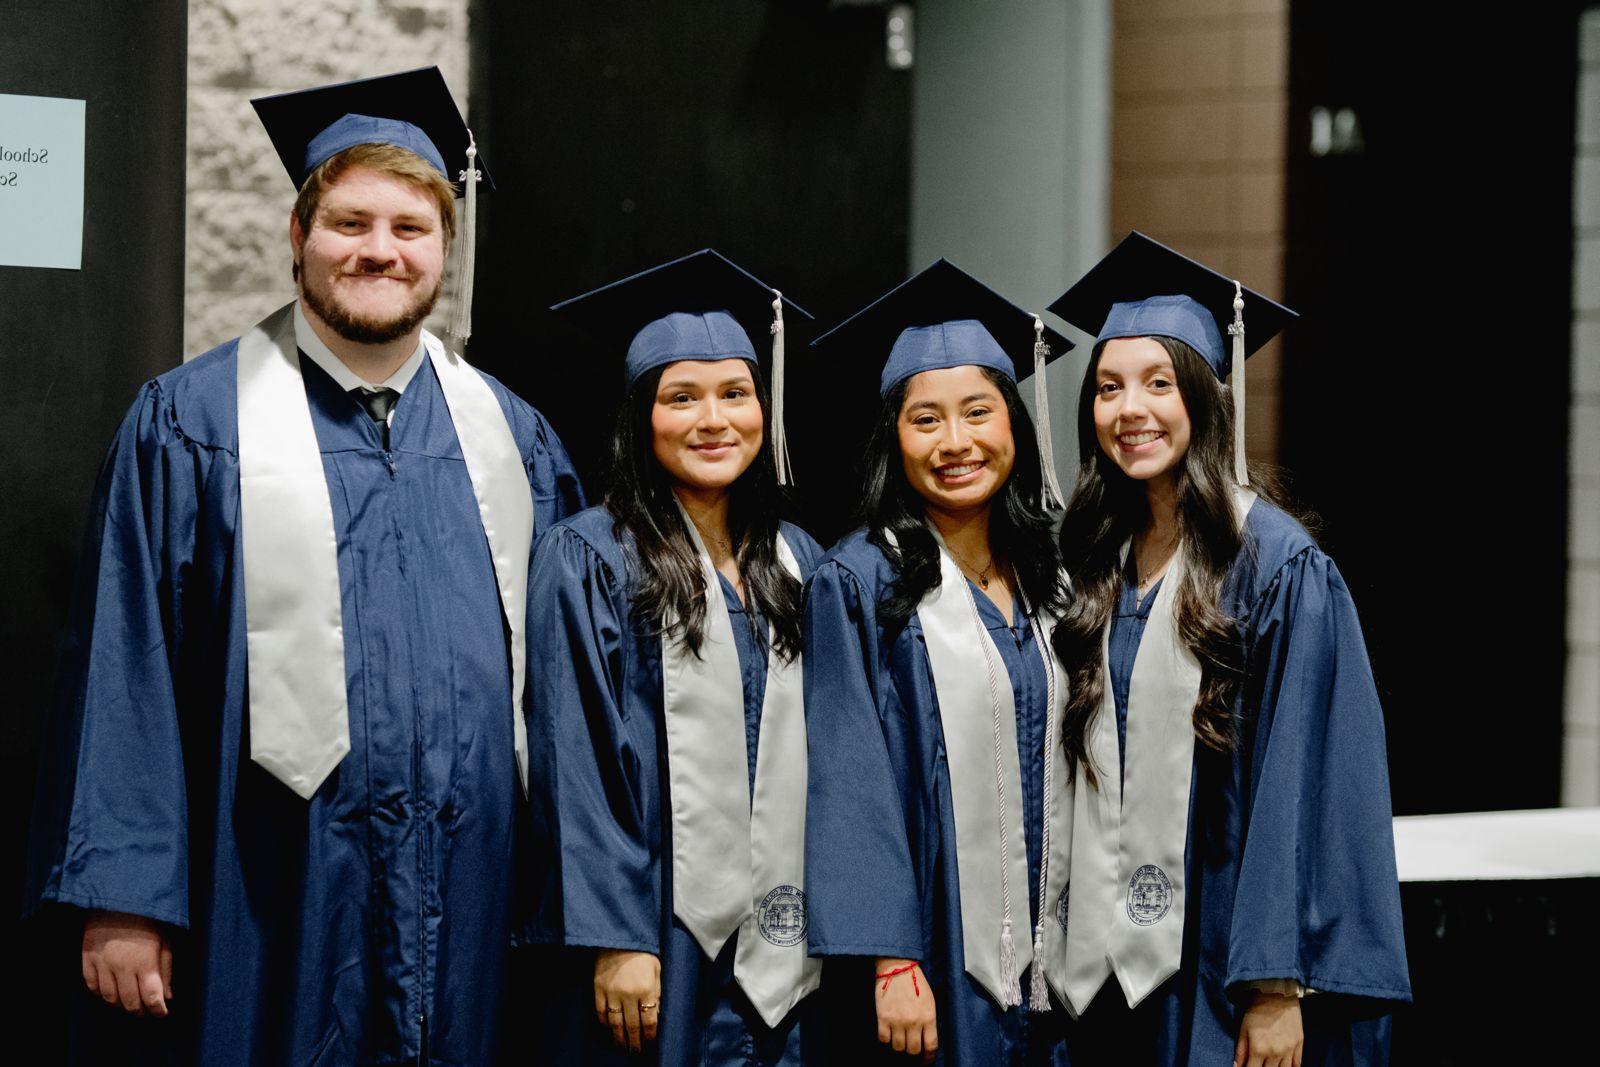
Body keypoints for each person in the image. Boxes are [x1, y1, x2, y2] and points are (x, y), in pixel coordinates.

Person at [23, 68, 583, 1065]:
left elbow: (571, 689)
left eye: (411, 228)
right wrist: (122, 891)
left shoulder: (515, 438)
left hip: (474, 889)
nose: (380, 250)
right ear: (298, 236)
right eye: (350, 222)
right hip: (270, 884)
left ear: (444, 249)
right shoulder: (190, 425)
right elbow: (127, 663)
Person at [1041, 232, 1410, 1066]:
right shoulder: (1094, 566)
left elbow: (1304, 781)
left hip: (1221, 961)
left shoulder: (1277, 566)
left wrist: (1275, 984)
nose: (1130, 409)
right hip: (1102, 980)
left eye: (1158, 383)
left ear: (1207, 396)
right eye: (1107, 388)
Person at [524, 250, 826, 1065]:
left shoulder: (799, 559)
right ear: (640, 417)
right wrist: (615, 936)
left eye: (736, 393)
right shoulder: (588, 555)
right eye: (681, 397)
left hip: (788, 943)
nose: (713, 419)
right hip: (660, 929)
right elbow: (576, 758)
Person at [801, 260, 1078, 1065]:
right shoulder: (857, 579)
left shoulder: (1053, 578)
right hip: (932, 961)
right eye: (926, 419)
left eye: (977, 412)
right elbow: (848, 779)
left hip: (1058, 969)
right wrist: (892, 955)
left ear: (1014, 425)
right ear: (895, 436)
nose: (955, 442)